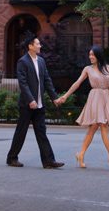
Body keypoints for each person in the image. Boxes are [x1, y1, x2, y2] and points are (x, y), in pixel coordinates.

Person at [59, 46, 109, 171]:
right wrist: (65, 96)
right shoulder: (87, 69)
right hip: (94, 98)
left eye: (93, 55)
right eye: (89, 55)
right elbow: (77, 83)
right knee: (103, 127)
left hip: (105, 100)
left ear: (98, 56)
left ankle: (81, 154)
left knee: (93, 128)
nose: (90, 57)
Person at [6, 35, 65, 169]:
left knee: (41, 132)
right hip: (27, 105)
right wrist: (30, 100)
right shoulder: (23, 61)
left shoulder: (41, 61)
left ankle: (48, 161)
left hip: (40, 104)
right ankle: (12, 158)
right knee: (21, 132)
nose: (40, 46)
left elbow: (47, 81)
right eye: (38, 44)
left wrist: (54, 97)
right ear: (30, 46)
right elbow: (23, 83)